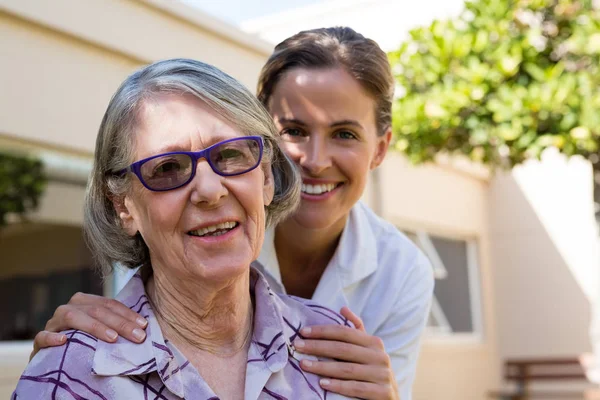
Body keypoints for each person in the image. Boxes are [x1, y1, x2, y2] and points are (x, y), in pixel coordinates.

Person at [30, 27, 434, 400]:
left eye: (229, 155)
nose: (314, 160)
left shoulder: (402, 271)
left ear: (264, 174)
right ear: (123, 205)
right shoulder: (78, 365)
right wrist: (63, 370)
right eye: (168, 168)